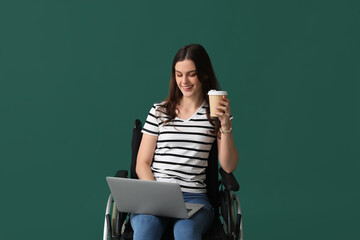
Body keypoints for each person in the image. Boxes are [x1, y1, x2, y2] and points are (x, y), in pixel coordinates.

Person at [130, 44, 239, 240]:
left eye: (191, 74)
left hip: (193, 198)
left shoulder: (213, 115)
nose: (184, 81)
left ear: (204, 74)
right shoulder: (159, 111)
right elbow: (142, 163)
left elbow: (228, 166)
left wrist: (225, 125)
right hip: (156, 193)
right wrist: (158, 197)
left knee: (185, 231)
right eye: (179, 74)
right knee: (146, 227)